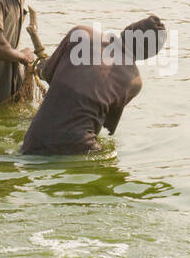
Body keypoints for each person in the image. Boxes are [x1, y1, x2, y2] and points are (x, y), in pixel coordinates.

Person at [21, 16, 166, 155]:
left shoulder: (81, 33)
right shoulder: (134, 81)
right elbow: (108, 126)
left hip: (34, 140)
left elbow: (48, 73)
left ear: (127, 30)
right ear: (149, 54)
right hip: (82, 148)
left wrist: (41, 69)